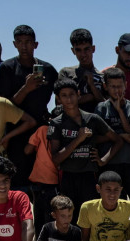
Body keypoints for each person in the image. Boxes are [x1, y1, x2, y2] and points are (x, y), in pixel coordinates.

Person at [0, 25, 58, 189]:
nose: (24, 46)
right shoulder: (7, 68)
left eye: (28, 42)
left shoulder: (49, 70)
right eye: (20, 42)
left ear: (35, 44)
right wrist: (26, 88)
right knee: (18, 181)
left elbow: (59, 97)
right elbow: (2, 106)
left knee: (43, 181)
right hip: (16, 134)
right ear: (14, 44)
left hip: (41, 131)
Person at [48, 78, 116, 217]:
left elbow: (117, 140)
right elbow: (55, 159)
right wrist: (78, 139)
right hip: (68, 177)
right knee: (69, 217)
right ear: (58, 99)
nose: (69, 99)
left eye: (72, 94)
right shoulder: (56, 123)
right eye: (64, 95)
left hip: (89, 176)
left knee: (89, 218)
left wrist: (103, 159)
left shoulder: (92, 119)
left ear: (78, 94)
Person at [95, 67, 130, 200]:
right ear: (106, 87)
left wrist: (120, 111)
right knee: (114, 202)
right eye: (113, 87)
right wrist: (120, 136)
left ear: (126, 86)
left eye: (120, 86)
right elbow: (96, 138)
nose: (117, 90)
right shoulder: (101, 109)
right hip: (109, 164)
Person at [58, 29, 105, 113]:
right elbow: (60, 102)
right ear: (73, 51)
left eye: (86, 49)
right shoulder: (66, 73)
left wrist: (92, 86)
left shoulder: (102, 77)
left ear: (93, 49)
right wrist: (90, 96)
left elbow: (106, 105)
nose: (83, 54)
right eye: (78, 50)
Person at [24, 121, 58, 228]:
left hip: (39, 179)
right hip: (55, 181)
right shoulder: (67, 130)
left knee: (38, 218)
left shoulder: (43, 129)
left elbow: (27, 150)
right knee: (52, 218)